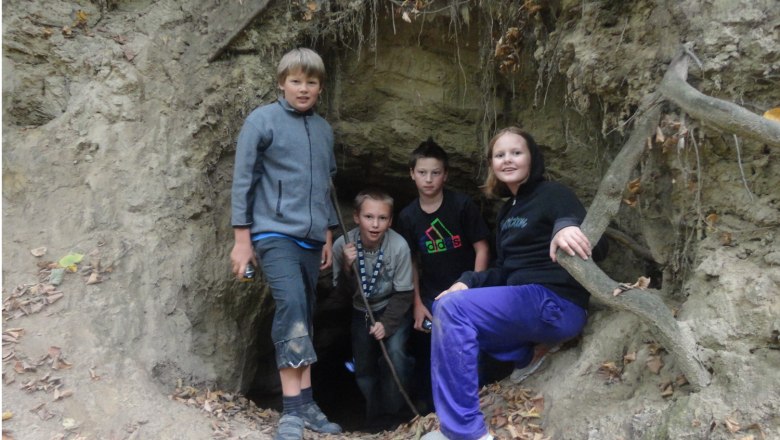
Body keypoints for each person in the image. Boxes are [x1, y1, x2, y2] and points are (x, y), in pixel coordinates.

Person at [422, 127, 608, 440]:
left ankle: (466, 433)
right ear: (492, 164)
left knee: (454, 312)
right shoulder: (507, 211)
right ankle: (528, 355)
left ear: (532, 157)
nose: (508, 159)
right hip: (526, 302)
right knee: (447, 304)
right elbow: (503, 270)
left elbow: (598, 247)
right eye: (500, 154)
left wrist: (566, 227)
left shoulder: (554, 193)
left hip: (555, 302)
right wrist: (466, 283)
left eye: (516, 152)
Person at [230, 47, 342, 440]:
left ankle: (307, 402)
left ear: (320, 87)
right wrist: (241, 239)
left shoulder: (324, 129)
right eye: (296, 80)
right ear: (281, 83)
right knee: (291, 306)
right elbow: (243, 180)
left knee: (306, 313)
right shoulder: (262, 120)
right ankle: (291, 410)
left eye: (311, 82)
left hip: (312, 239)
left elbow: (326, 186)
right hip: (273, 233)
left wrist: (328, 233)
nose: (303, 88)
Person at [395, 138, 490, 413]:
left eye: (435, 173)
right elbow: (410, 260)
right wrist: (416, 303)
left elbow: (481, 247)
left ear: (445, 175)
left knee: (471, 348)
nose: (428, 179)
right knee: (428, 351)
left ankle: (476, 402)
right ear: (411, 173)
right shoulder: (408, 216)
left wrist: (475, 290)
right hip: (430, 296)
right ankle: (431, 409)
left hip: (465, 290)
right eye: (422, 172)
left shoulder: (461, 205)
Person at [332, 188, 415, 427]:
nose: (375, 224)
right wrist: (348, 268)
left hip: (391, 308)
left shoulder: (398, 246)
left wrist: (387, 325)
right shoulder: (342, 245)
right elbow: (341, 295)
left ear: (390, 220)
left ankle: (393, 416)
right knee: (364, 367)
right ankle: (374, 414)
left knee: (395, 357)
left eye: (382, 218)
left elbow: (404, 293)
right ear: (357, 217)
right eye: (369, 217)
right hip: (361, 312)